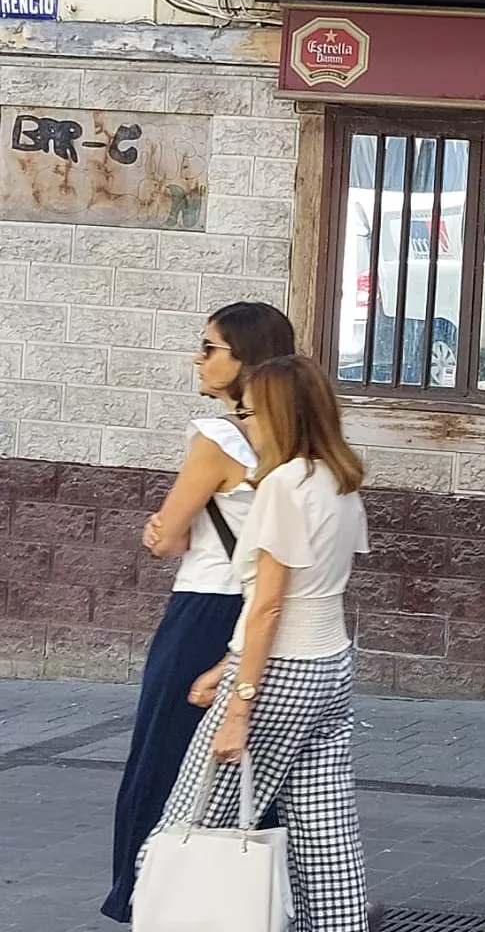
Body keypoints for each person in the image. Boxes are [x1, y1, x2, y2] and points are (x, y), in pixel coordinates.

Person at [144, 355, 371, 932]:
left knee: (184, 829)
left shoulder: (283, 486)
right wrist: (228, 666)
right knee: (327, 840)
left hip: (280, 675)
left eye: (251, 410)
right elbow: (308, 597)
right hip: (330, 668)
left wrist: (239, 702)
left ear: (276, 413)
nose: (246, 423)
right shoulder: (339, 481)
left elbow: (269, 603)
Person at [103, 301, 296, 923]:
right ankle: (247, 897)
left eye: (210, 347)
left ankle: (149, 893)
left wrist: (158, 531)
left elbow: (170, 535)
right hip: (270, 612)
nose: (198, 356)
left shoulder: (216, 439)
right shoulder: (297, 435)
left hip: (204, 609)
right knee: (254, 761)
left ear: (245, 359)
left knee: (166, 752)